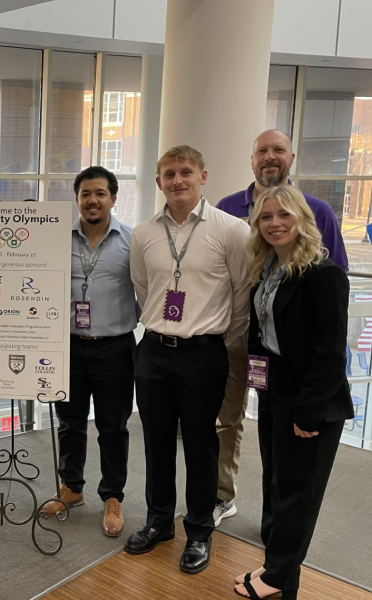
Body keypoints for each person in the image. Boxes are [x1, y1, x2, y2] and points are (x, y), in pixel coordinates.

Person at [212, 129, 349, 529]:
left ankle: (281, 545)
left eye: (278, 151)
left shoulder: (319, 210)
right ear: (251, 159)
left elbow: (330, 290)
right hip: (252, 352)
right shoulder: (226, 209)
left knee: (295, 459)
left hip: (300, 363)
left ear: (292, 157)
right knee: (249, 434)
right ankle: (235, 503)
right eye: (261, 151)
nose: (269, 157)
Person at [126, 145, 251, 575]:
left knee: (201, 445)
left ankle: (198, 530)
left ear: (203, 177)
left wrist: (217, 340)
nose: (177, 181)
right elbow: (144, 288)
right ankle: (159, 520)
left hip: (204, 354)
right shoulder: (143, 233)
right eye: (169, 174)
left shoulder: (231, 230)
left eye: (186, 172)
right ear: (159, 181)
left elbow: (241, 296)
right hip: (155, 352)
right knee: (157, 442)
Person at [235, 185, 353, 600]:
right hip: (276, 391)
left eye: (283, 215)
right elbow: (263, 334)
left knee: (299, 494)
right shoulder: (265, 271)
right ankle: (277, 569)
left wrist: (308, 413)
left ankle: (279, 577)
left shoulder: (324, 276)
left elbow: (329, 355)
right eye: (265, 217)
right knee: (278, 484)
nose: (274, 224)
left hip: (311, 401)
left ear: (302, 219)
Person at [39, 166, 137, 538]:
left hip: (115, 348)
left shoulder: (131, 240)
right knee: (70, 423)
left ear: (113, 198)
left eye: (99, 193)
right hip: (67, 346)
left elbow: (148, 288)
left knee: (113, 427)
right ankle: (72, 488)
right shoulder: (56, 239)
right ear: (77, 199)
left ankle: (112, 496)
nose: (92, 200)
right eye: (85, 194)